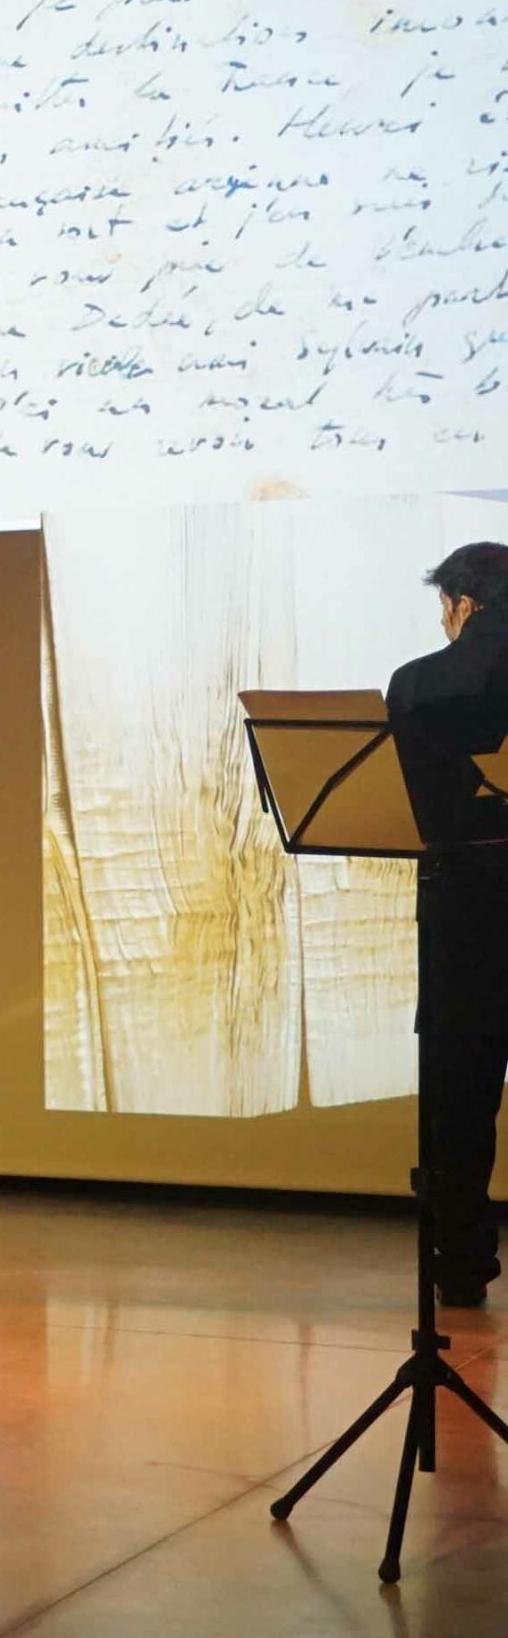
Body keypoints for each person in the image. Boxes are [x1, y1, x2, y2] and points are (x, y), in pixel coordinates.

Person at [386, 541, 508, 1309]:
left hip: (465, 908)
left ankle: (461, 1267)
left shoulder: (419, 683)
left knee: (459, 1100)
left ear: (461, 603)